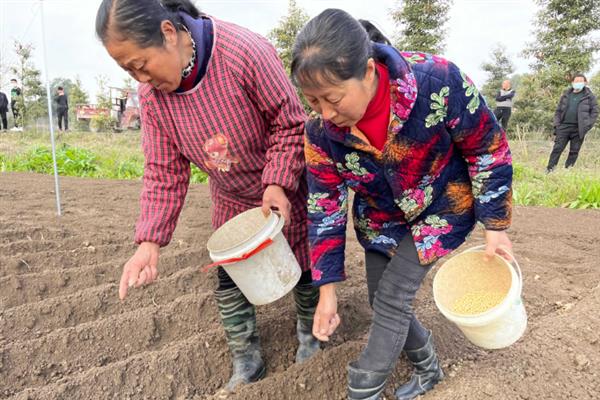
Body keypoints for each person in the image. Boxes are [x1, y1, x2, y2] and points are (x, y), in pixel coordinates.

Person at [95, 0, 320, 391]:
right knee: (230, 277)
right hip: (231, 194)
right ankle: (247, 362)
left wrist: (277, 181)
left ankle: (311, 339)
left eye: (140, 64)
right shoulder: (153, 99)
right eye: (127, 70)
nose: (140, 78)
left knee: (303, 264)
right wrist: (149, 244)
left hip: (285, 187)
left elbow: (290, 124)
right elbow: (164, 170)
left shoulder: (243, 52)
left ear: (168, 33)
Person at [291, 9, 513, 400]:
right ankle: (429, 367)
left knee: (394, 295)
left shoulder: (437, 82)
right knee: (380, 295)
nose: (325, 113)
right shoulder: (320, 133)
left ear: (369, 71)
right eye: (312, 101)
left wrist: (495, 224)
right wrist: (326, 289)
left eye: (333, 98)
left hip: (441, 206)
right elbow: (324, 208)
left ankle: (364, 386)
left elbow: (486, 146)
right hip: (381, 217)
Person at [546, 74, 598, 172]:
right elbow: (558, 111)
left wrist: (587, 125)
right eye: (576, 81)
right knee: (557, 148)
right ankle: (550, 169)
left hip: (579, 129)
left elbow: (594, 112)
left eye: (581, 81)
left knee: (574, 151)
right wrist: (557, 125)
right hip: (563, 127)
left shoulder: (589, 96)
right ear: (572, 82)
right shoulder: (566, 94)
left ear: (585, 82)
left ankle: (567, 170)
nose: (578, 83)